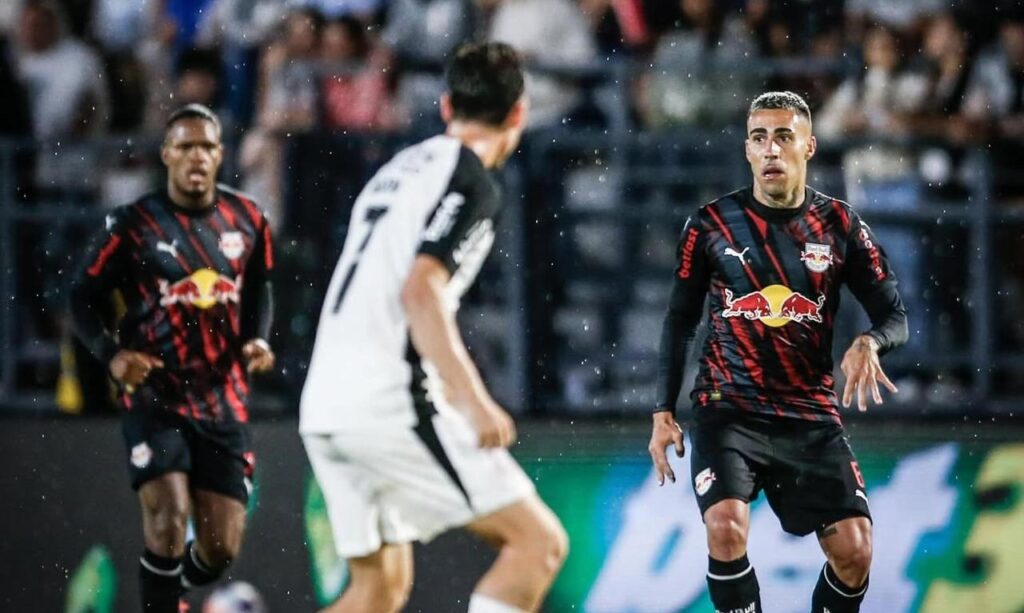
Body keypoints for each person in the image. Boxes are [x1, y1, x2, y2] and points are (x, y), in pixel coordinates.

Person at [300, 42, 568, 613]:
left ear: (447, 106)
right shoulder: (471, 181)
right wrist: (473, 401)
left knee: (378, 590)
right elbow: (420, 291)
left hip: (324, 399)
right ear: (519, 112)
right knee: (537, 545)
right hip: (385, 400)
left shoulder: (396, 170)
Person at [648, 91, 907, 613]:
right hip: (728, 408)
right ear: (747, 150)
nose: (770, 150)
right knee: (724, 528)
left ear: (808, 147)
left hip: (808, 414)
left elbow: (895, 316)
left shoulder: (841, 227)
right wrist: (662, 410)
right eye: (759, 138)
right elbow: (679, 319)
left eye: (783, 137)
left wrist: (869, 341)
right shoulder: (709, 227)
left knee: (855, 551)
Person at [69, 103, 276, 612]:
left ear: (221, 154)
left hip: (223, 401)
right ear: (166, 155)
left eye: (206, 146)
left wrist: (259, 338)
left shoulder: (248, 219)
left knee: (221, 548)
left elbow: (261, 290)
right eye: (185, 146)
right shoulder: (134, 224)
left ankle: (167, 593)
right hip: (156, 397)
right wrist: (112, 355)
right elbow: (80, 296)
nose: (196, 157)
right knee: (167, 519)